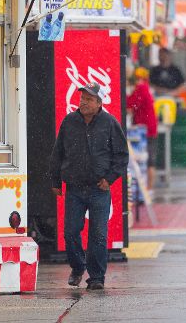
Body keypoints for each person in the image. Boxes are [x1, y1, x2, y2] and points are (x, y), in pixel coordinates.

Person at [49, 82, 128, 291]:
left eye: (89, 99)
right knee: (70, 232)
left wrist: (109, 179)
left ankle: (96, 277)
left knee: (98, 235)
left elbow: (121, 156)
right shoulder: (69, 122)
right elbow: (58, 153)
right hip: (74, 188)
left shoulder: (110, 123)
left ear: (99, 103)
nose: (83, 102)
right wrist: (55, 181)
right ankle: (77, 267)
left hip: (99, 189)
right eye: (82, 98)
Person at [127, 67, 158, 191]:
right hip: (147, 128)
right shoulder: (144, 87)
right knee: (149, 159)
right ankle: (148, 189)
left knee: (148, 159)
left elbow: (130, 103)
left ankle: (148, 189)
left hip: (146, 130)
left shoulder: (142, 88)